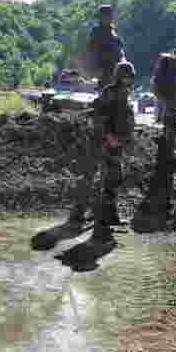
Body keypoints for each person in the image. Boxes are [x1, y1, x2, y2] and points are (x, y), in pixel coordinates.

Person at [70, 61, 137, 241]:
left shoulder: (125, 93)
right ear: (118, 76)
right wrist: (108, 137)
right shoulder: (110, 92)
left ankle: (108, 217)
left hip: (117, 141)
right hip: (106, 141)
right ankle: (90, 217)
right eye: (125, 76)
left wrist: (126, 138)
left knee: (113, 179)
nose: (128, 79)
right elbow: (100, 116)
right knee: (100, 177)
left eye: (130, 76)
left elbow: (125, 117)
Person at [84, 4, 126, 90]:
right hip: (103, 69)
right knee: (104, 91)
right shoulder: (96, 31)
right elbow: (91, 51)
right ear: (102, 17)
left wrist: (123, 62)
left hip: (114, 69)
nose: (110, 18)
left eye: (110, 16)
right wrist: (95, 69)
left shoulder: (112, 31)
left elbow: (119, 49)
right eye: (107, 16)